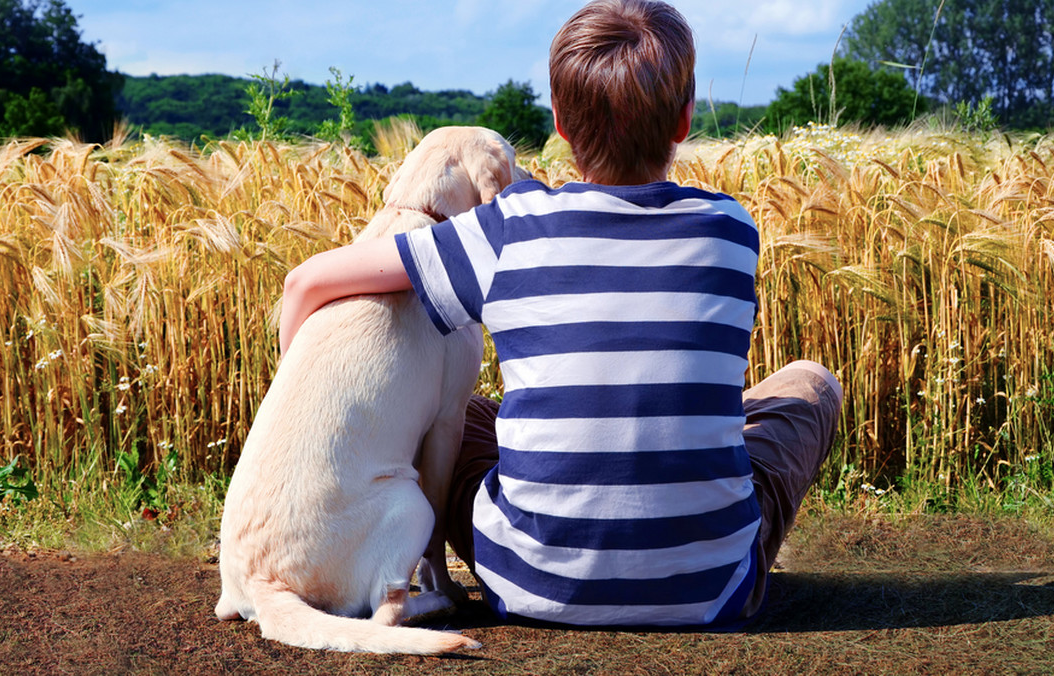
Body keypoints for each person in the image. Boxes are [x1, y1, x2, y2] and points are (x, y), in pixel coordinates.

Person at [279, 0, 841, 629]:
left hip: (527, 581)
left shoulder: (512, 226)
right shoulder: (732, 228)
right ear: (684, 120)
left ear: (560, 125)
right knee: (809, 384)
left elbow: (307, 282)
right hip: (712, 587)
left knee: (454, 406)